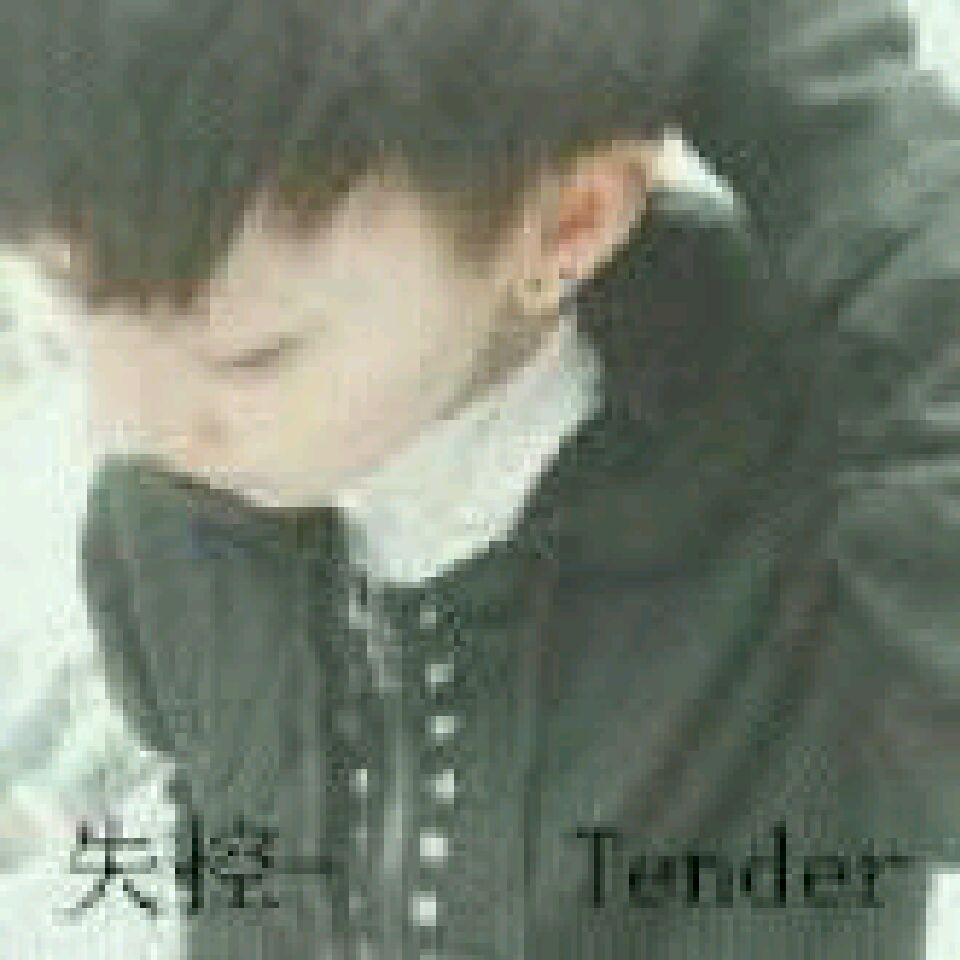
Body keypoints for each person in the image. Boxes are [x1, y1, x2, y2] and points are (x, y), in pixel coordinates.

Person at [2, 0, 958, 956]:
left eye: (248, 353)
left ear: (569, 223)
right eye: (71, 303)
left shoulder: (808, 483)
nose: (122, 424)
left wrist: (759, 45)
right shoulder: (167, 522)